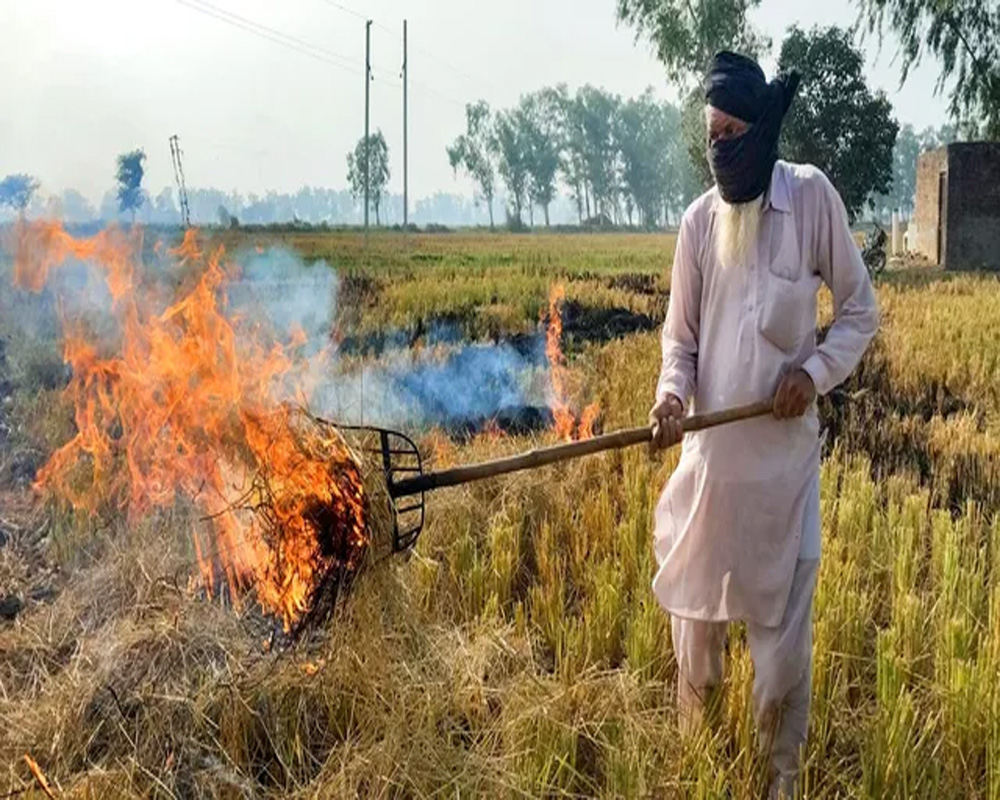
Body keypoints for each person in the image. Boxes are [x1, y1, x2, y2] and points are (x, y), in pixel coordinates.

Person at [648, 51, 879, 798]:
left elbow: (859, 312)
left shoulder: (809, 199)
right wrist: (671, 398)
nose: (719, 147)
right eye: (709, 134)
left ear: (760, 133)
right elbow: (679, 341)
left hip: (782, 483)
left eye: (731, 132)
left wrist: (810, 376)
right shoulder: (696, 224)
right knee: (697, 653)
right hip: (711, 478)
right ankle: (696, 772)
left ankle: (778, 786)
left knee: (781, 663)